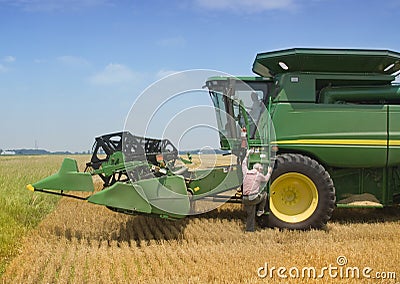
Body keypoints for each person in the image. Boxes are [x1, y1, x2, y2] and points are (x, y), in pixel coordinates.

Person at [242, 149, 273, 232]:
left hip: (244, 198)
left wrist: (247, 155)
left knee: (250, 215)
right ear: (258, 168)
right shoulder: (258, 175)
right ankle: (261, 210)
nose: (262, 169)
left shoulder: (246, 173)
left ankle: (249, 230)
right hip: (253, 198)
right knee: (265, 194)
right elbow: (266, 179)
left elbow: (244, 164)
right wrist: (269, 172)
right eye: (261, 168)